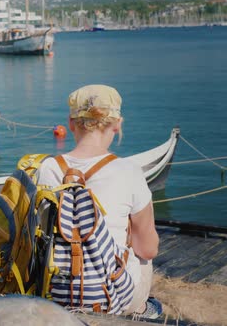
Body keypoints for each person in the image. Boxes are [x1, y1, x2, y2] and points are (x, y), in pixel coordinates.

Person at [36, 84, 162, 318]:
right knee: (143, 256)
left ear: (72, 124)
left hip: (52, 291)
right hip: (110, 296)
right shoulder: (130, 171)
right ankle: (142, 310)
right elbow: (148, 249)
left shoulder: (47, 168)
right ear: (117, 124)